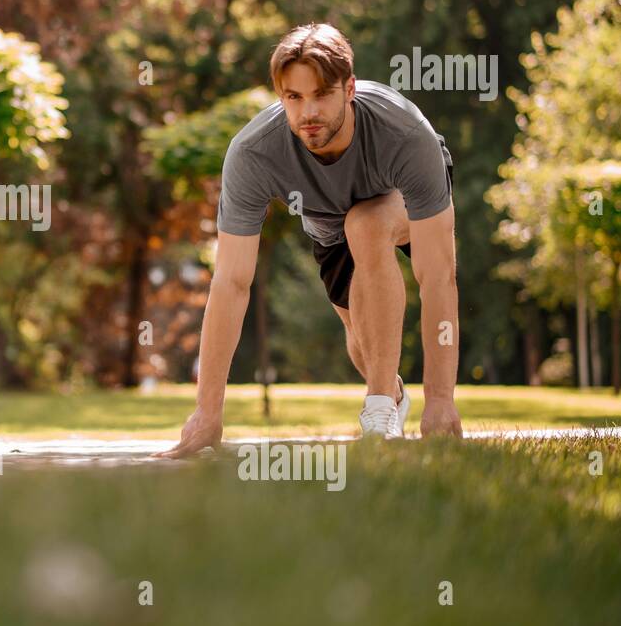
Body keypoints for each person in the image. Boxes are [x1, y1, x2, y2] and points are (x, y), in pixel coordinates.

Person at [161, 23, 463, 459]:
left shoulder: (405, 134)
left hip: (399, 201)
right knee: (361, 335)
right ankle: (391, 393)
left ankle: (378, 410)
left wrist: (440, 399)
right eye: (294, 98)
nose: (308, 114)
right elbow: (230, 282)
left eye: (322, 94)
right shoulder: (253, 153)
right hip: (327, 222)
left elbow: (438, 276)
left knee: (365, 224)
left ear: (350, 88)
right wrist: (208, 413)